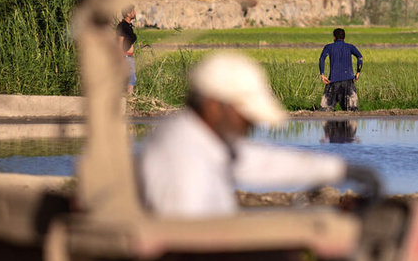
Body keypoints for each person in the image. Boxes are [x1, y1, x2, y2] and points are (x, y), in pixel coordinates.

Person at [137, 52, 372, 218]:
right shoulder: (183, 162)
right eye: (246, 115)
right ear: (214, 105)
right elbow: (191, 240)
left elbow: (260, 162)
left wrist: (341, 170)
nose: (251, 125)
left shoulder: (196, 137)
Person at [318, 27, 363, 111]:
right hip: (348, 81)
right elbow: (360, 57)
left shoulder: (329, 47)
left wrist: (322, 74)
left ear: (334, 37)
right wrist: (358, 72)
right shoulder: (350, 47)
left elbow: (322, 59)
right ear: (344, 38)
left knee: (325, 110)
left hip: (333, 81)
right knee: (352, 110)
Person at [116, 5, 137, 96]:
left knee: (130, 78)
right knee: (131, 78)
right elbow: (119, 41)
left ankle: (126, 97)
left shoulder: (127, 25)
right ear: (128, 14)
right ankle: (129, 97)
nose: (135, 13)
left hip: (129, 56)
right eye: (133, 11)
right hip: (125, 56)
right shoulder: (122, 26)